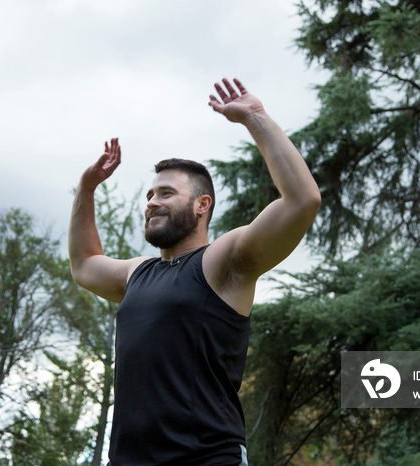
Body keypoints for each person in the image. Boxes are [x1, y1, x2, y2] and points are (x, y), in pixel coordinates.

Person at [68, 78, 321, 466]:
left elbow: (302, 200)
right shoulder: (138, 274)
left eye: (166, 193)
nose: (152, 202)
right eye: (150, 195)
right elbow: (84, 264)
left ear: (202, 205)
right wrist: (86, 189)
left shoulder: (222, 263)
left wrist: (255, 117)